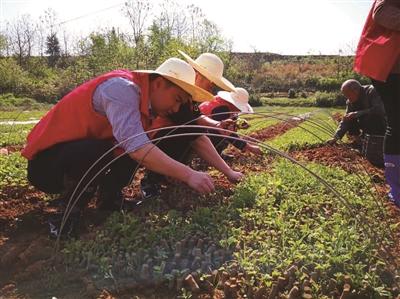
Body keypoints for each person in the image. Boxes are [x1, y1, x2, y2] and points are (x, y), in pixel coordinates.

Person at [21, 57, 241, 238]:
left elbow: (195, 135)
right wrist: (188, 174)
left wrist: (227, 172)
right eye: (176, 99)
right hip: (47, 166)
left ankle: (109, 200)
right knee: (114, 148)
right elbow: (136, 147)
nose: (175, 108)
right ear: (159, 83)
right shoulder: (122, 89)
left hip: (78, 156)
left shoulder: (153, 105)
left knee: (131, 146)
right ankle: (65, 214)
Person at [140, 51, 241, 199]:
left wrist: (217, 124)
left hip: (152, 141)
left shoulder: (187, 99)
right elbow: (198, 138)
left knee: (189, 134)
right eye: (210, 83)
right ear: (197, 74)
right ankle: (152, 181)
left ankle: (171, 175)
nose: (211, 88)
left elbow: (197, 117)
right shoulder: (179, 99)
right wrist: (228, 172)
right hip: (151, 141)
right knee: (184, 136)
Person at [354, 0, 400, 206]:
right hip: (393, 69)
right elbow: (380, 12)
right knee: (398, 122)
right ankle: (396, 187)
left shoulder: (366, 95)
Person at [199, 87, 262, 159]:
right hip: (200, 133)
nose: (239, 110)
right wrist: (248, 147)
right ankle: (210, 156)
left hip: (205, 129)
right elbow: (228, 133)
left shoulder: (223, 102)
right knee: (222, 136)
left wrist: (238, 124)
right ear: (233, 103)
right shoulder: (222, 109)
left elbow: (231, 119)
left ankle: (217, 154)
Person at [328, 79, 386, 145]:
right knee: (350, 117)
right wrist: (335, 137)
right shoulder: (350, 101)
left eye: (348, 95)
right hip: (366, 125)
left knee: (372, 117)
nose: (347, 98)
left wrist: (357, 113)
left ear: (356, 91)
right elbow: (345, 120)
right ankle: (357, 141)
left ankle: (374, 141)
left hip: (382, 125)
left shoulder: (372, 91)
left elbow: (380, 110)